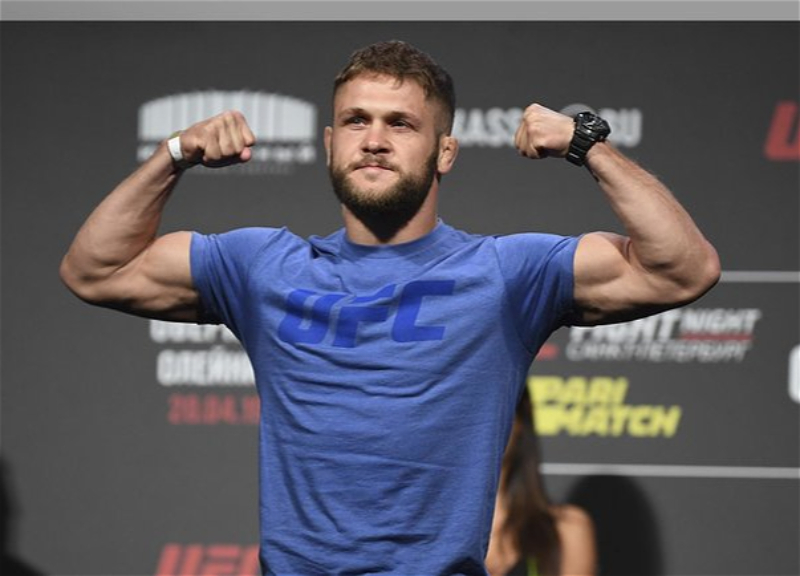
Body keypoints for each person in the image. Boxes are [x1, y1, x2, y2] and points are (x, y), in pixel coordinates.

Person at [59, 40, 720, 575]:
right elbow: (95, 269)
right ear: (329, 144)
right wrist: (174, 155)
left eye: (400, 124)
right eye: (357, 121)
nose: (374, 140)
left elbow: (683, 268)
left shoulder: (504, 274)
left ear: (445, 152)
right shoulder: (262, 266)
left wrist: (586, 145)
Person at [485, 388, 596, 576]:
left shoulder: (566, 529)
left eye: (492, 413)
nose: (482, 429)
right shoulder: (432, 527)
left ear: (520, 423)